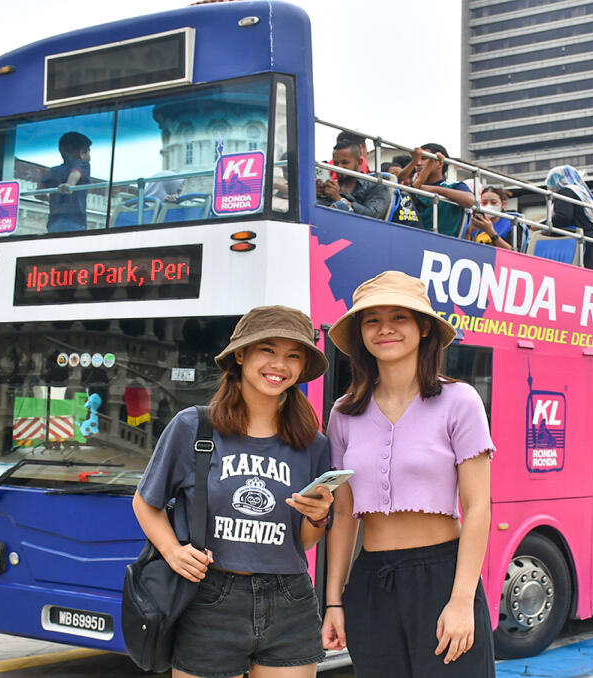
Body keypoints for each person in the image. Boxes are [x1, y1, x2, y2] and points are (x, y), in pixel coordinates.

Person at [132, 306, 335, 678]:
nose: (280, 365)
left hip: (290, 600)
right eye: (268, 350)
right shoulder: (194, 426)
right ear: (240, 354)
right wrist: (173, 552)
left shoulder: (313, 444)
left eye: (293, 355)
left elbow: (303, 542)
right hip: (209, 599)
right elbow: (146, 502)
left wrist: (319, 517)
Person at [320, 271, 495, 678]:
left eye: (399, 316)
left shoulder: (460, 401)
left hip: (442, 578)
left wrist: (462, 600)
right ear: (360, 333)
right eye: (372, 320)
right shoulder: (344, 413)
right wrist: (334, 601)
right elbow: (343, 515)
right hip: (370, 582)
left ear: (424, 328)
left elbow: (477, 506)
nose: (385, 329)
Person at [395, 144, 475, 236]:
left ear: (440, 163)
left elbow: (469, 200)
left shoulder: (454, 186)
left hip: (444, 241)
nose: (418, 163)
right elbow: (397, 182)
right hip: (411, 237)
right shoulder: (412, 187)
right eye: (418, 159)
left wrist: (432, 189)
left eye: (424, 158)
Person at [546, 165, 593, 271]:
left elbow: (563, 218)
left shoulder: (565, 192)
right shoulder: (583, 193)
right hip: (592, 245)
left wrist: (544, 224)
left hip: (577, 248)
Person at [318, 140, 391, 220]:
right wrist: (316, 195)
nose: (339, 167)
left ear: (359, 162)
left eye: (345, 162)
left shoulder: (376, 186)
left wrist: (340, 200)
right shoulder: (333, 185)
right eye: (336, 163)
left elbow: (374, 215)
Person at [37, 131, 94, 233]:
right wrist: (70, 185)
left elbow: (39, 192)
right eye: (88, 151)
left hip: (53, 222)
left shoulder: (53, 171)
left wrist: (51, 200)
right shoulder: (84, 164)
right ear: (82, 153)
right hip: (75, 221)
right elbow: (76, 173)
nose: (90, 156)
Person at [463, 185, 515, 250]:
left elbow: (513, 252)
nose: (488, 205)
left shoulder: (511, 224)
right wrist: (468, 232)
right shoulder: (476, 222)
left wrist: (490, 231)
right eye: (484, 203)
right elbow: (465, 248)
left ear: (503, 204)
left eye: (493, 202)